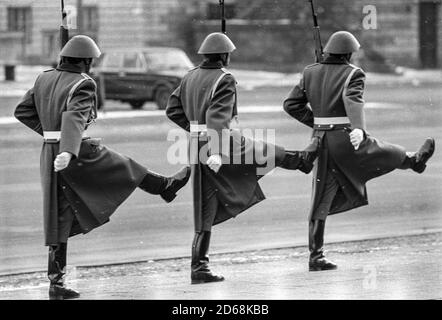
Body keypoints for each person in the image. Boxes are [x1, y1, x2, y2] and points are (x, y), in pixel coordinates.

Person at [14, 35, 191, 299]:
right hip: (75, 152)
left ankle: (57, 283)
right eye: (90, 61)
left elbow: (23, 111)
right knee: (123, 168)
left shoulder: (43, 78)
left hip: (50, 151)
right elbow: (74, 117)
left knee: (58, 215)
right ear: (84, 61)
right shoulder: (83, 83)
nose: (92, 66)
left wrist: (51, 135)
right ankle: (162, 186)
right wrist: (67, 148)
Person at [166, 32, 316, 284]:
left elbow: (172, 110)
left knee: (204, 207)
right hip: (222, 142)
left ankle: (199, 268)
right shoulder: (225, 78)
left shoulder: (189, 76)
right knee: (264, 152)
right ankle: (301, 160)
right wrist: (215, 149)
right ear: (224, 55)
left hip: (198, 144)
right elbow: (218, 117)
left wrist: (196, 130)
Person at [283, 31, 435, 271]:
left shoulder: (309, 71)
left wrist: (317, 121)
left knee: (319, 198)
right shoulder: (353, 73)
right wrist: (359, 129)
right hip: (345, 139)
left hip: (320, 142)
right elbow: (353, 99)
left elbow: (291, 105)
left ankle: (316, 257)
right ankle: (413, 161)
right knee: (381, 151)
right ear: (348, 54)